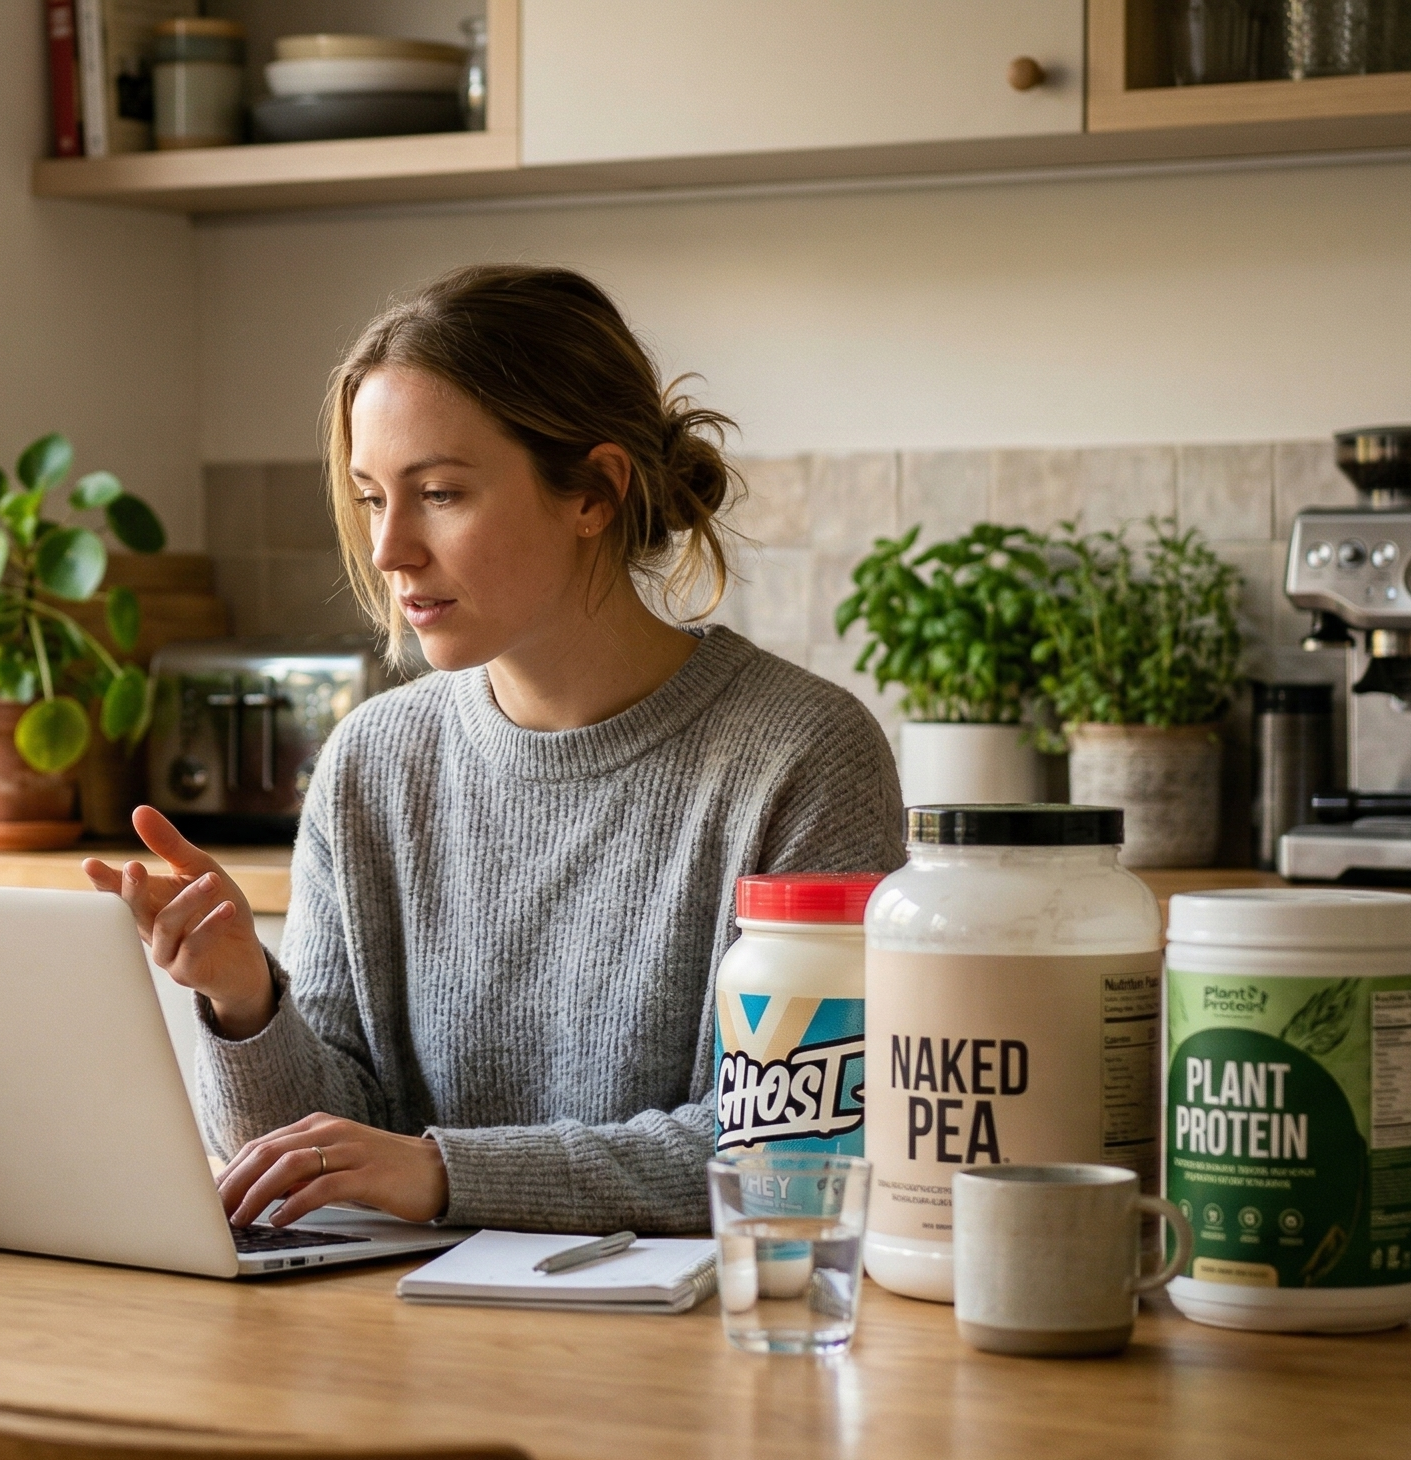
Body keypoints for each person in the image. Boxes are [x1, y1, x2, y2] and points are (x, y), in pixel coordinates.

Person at [86, 264, 903, 1236]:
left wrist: (442, 1173)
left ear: (594, 491)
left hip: (696, 1361)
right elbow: (307, 1160)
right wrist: (243, 996)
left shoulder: (800, 757)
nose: (389, 549)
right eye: (370, 498)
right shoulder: (371, 763)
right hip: (399, 1343)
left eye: (436, 492)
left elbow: (789, 1153)